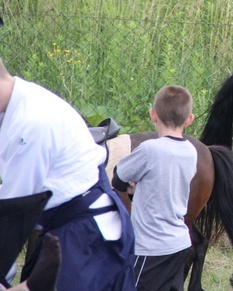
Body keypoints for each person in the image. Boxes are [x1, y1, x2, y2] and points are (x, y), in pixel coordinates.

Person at [0, 57, 136, 291]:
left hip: (87, 240)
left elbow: (13, 214)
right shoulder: (18, 105)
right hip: (64, 231)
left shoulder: (32, 123)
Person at [112, 85, 198, 291]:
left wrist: (132, 188)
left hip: (151, 248)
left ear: (153, 115)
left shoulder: (150, 149)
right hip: (180, 243)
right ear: (189, 119)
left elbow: (118, 178)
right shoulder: (191, 151)